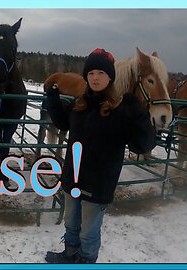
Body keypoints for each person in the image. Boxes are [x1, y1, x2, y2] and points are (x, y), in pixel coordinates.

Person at [44, 48, 156, 263]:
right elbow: (62, 123)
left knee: (89, 231)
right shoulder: (80, 104)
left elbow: (143, 145)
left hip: (98, 183)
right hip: (73, 177)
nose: (95, 78)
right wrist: (52, 98)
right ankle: (70, 254)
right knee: (71, 222)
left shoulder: (121, 110)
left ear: (110, 77)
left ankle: (86, 260)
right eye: (91, 73)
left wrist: (139, 115)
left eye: (101, 73)